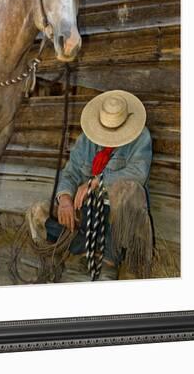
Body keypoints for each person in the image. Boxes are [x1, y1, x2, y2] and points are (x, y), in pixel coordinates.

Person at [26, 90, 154, 281]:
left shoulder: (140, 137)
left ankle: (108, 261)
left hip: (115, 218)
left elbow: (139, 172)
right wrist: (65, 199)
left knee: (128, 189)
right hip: (87, 214)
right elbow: (70, 173)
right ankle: (63, 255)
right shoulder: (85, 141)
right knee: (38, 210)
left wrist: (96, 181)